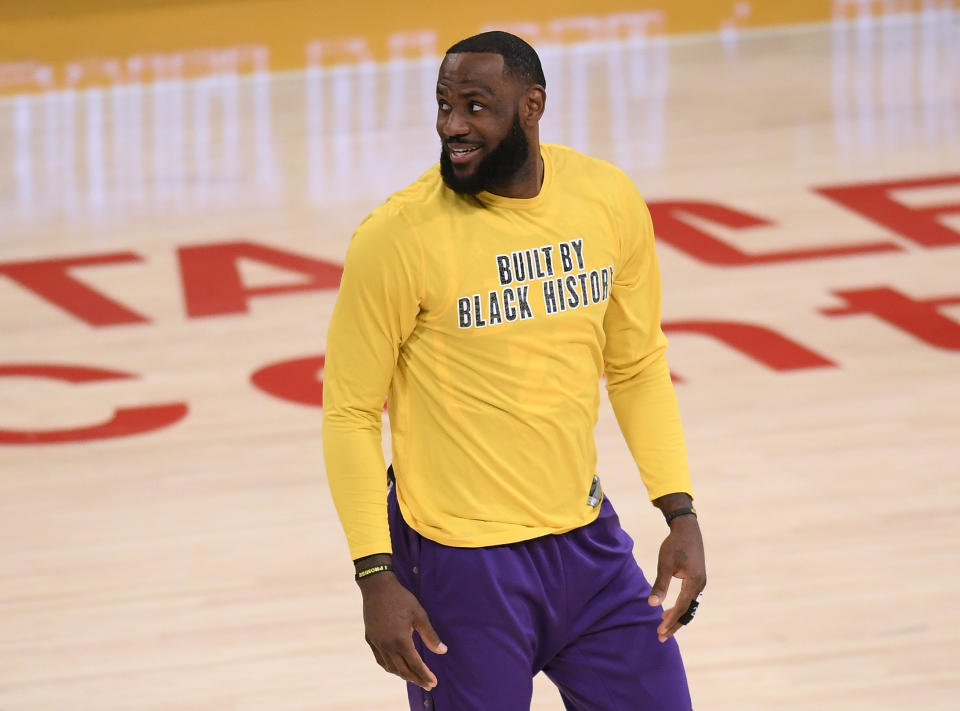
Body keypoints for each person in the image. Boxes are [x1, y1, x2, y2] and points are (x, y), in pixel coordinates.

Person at [322, 30, 706, 711]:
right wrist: (374, 572)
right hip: (458, 565)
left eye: (476, 106)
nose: (452, 127)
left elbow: (638, 363)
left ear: (532, 107)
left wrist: (679, 510)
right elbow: (350, 412)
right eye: (443, 106)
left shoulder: (606, 199)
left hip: (587, 545)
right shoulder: (398, 236)